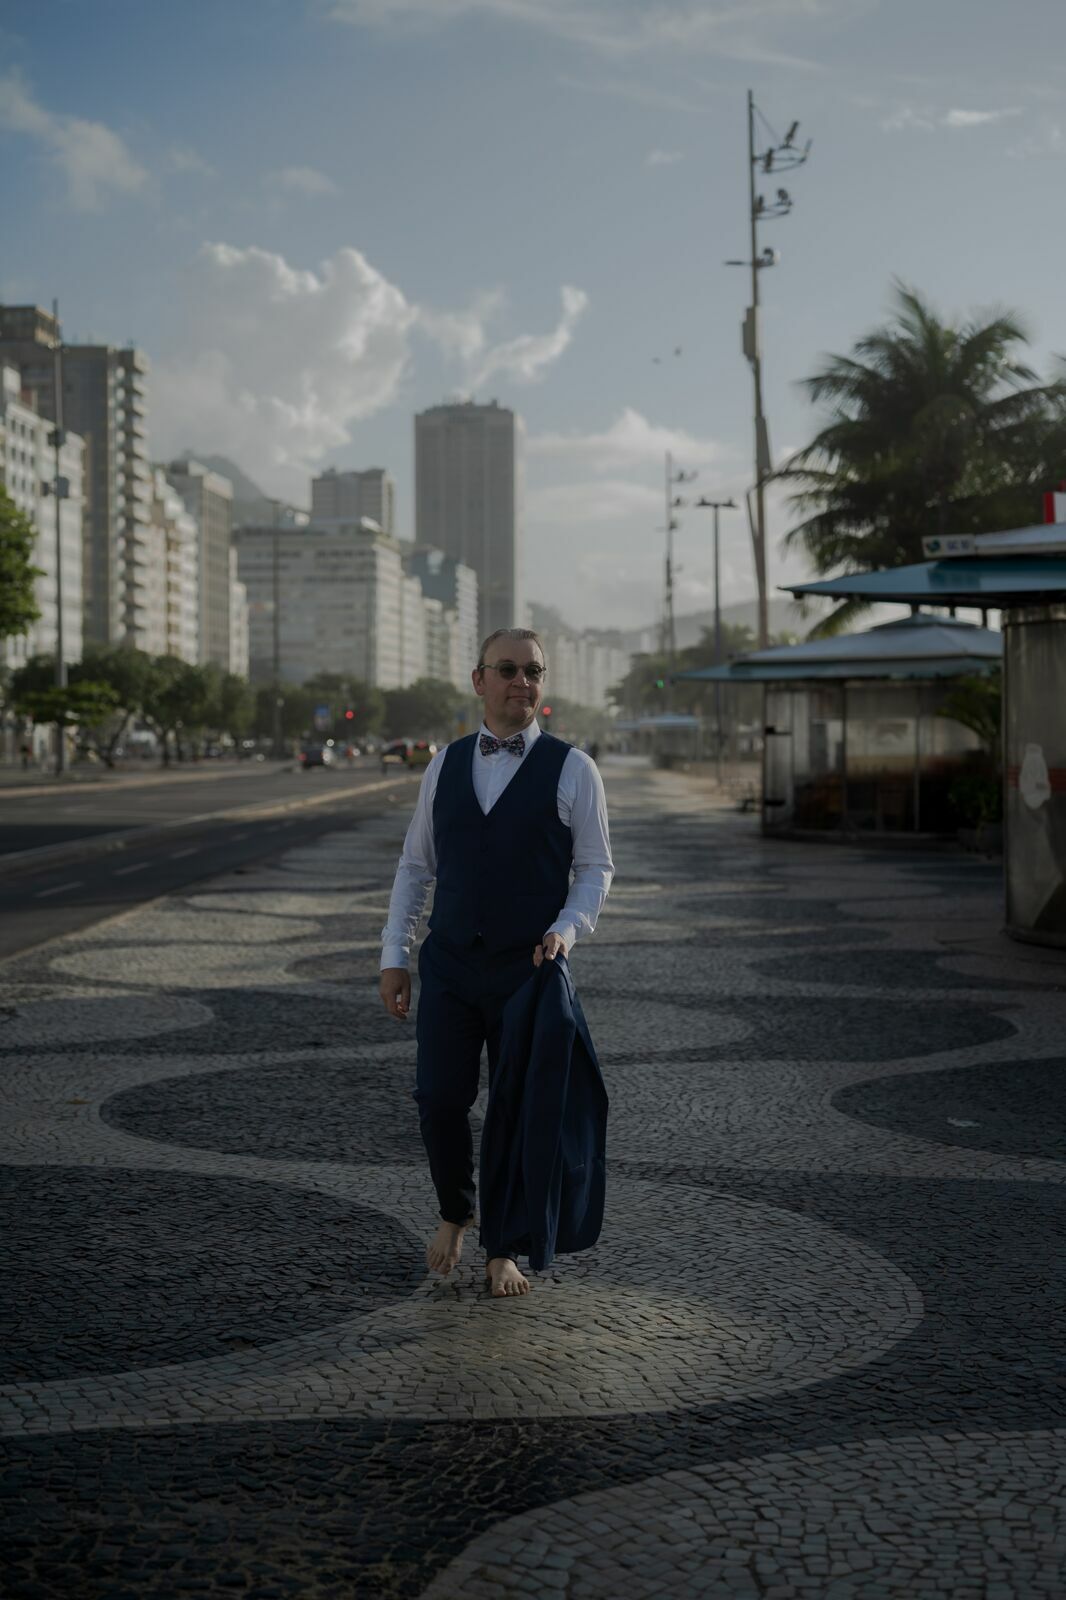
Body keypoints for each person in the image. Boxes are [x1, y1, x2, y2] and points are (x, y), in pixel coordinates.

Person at [379, 628, 614, 1298]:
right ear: (478, 680)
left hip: (529, 969)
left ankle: (502, 1248)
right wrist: (395, 954)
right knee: (438, 1099)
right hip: (451, 961)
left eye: (534, 671)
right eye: (507, 670)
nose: (522, 682)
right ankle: (458, 1209)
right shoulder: (444, 764)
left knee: (519, 1108)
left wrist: (567, 929)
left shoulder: (574, 769)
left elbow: (595, 869)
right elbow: (415, 867)